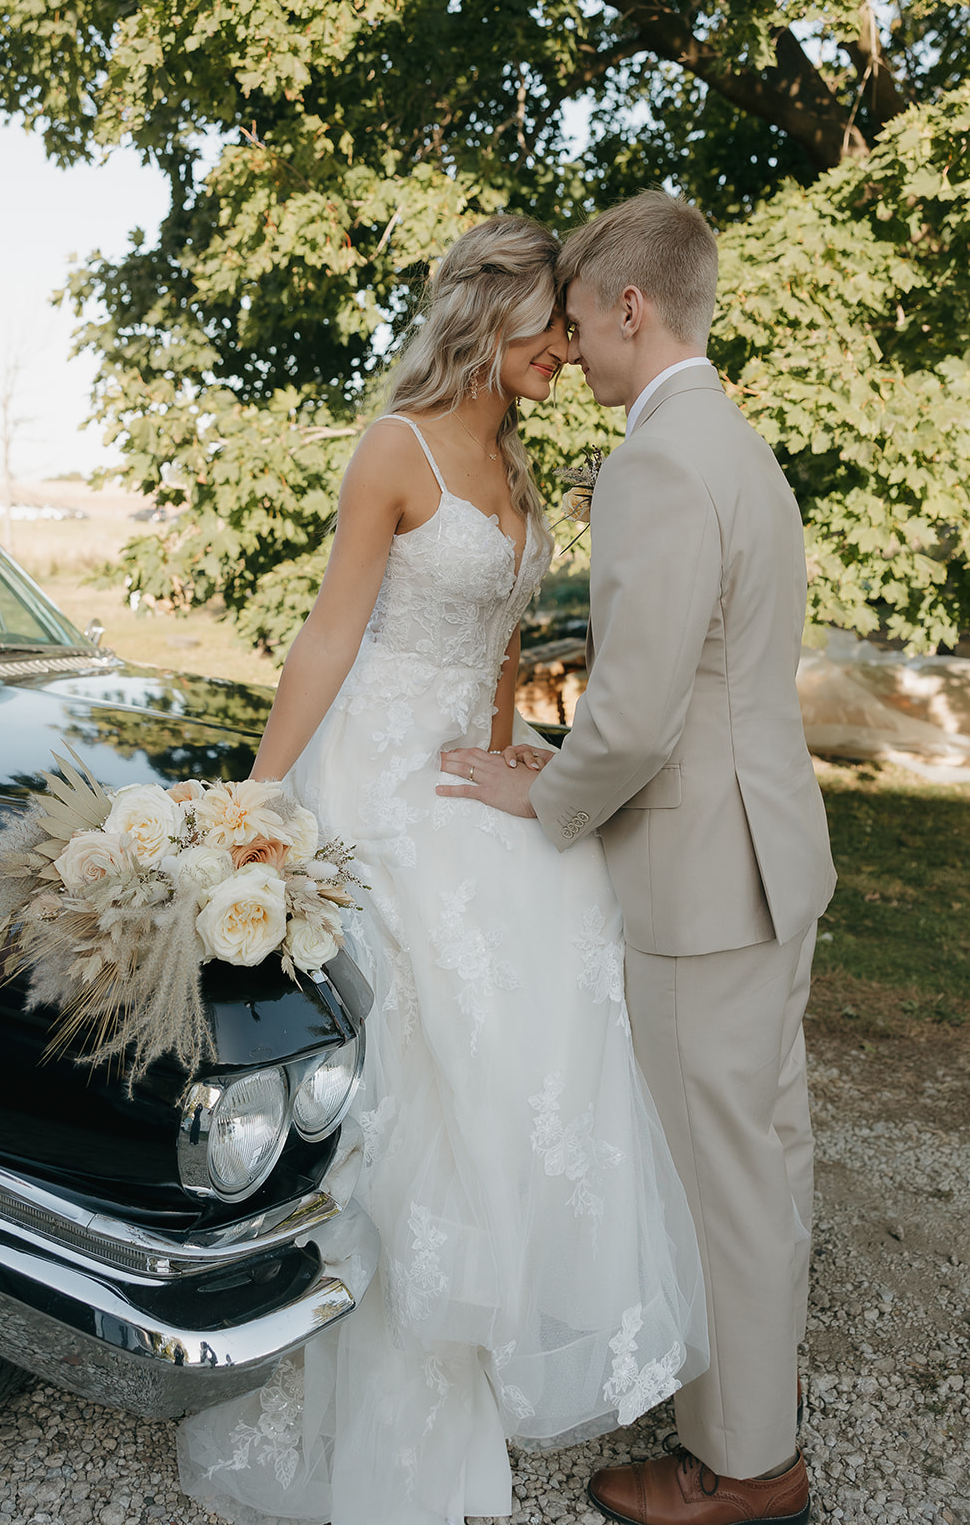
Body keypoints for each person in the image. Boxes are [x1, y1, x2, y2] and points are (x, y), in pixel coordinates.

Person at [176, 214, 708, 1525]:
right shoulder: (394, 450)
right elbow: (328, 638)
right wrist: (259, 801)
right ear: (494, 319)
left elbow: (501, 663)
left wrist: (504, 771)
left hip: (467, 775)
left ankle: (465, 1388)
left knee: (548, 989)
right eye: (552, 329)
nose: (569, 350)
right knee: (415, 1094)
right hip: (372, 784)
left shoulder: (522, 472)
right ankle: (379, 1436)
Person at [441, 191, 836, 1525]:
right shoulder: (743, 447)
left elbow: (643, 708)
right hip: (774, 853)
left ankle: (740, 1471)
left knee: (718, 1176)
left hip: (701, 879)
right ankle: (761, 1414)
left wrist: (537, 791)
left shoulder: (662, 461)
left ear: (632, 308)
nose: (574, 356)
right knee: (766, 1158)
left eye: (582, 326)